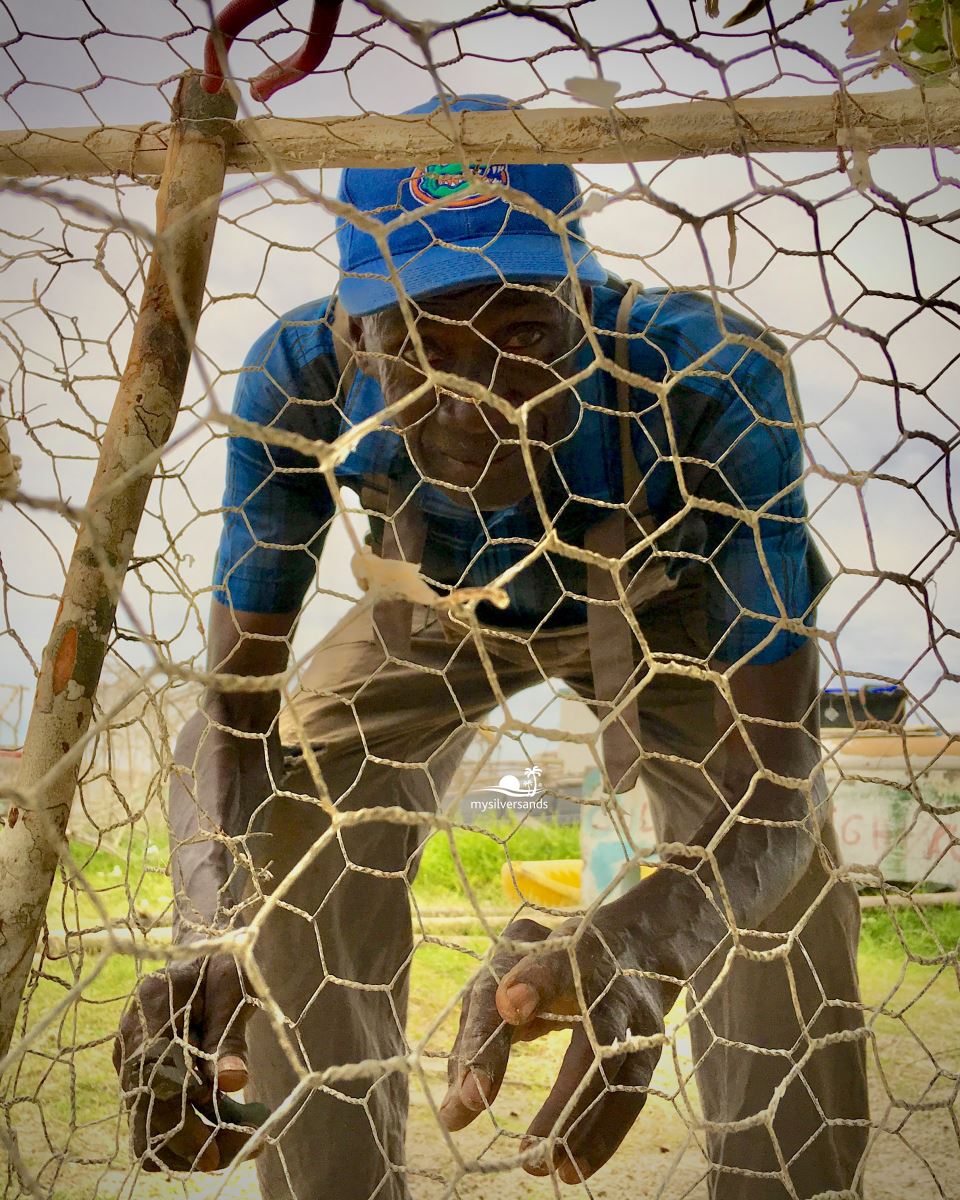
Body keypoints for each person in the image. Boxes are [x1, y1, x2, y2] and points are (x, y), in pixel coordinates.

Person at [114, 94, 869, 1200]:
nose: (482, 402)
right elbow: (232, 710)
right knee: (286, 818)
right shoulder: (298, 378)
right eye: (420, 347)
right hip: (437, 606)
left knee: (782, 881)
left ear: (584, 297)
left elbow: (776, 773)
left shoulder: (710, 376)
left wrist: (647, 944)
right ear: (357, 339)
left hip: (667, 605)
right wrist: (214, 933)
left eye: (525, 335)